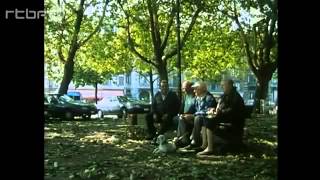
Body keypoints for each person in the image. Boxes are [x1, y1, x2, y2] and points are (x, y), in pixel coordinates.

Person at [197, 79, 246, 155]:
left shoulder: (235, 97)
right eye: (221, 85)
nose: (221, 87)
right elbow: (220, 107)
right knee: (205, 120)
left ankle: (209, 148)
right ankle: (204, 145)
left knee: (209, 122)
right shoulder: (225, 95)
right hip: (226, 119)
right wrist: (214, 109)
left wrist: (219, 112)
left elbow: (232, 111)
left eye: (223, 85)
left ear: (230, 85)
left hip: (233, 123)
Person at [183, 81, 217, 150]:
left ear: (202, 89)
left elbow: (207, 111)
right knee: (182, 118)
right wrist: (185, 114)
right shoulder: (197, 98)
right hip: (198, 118)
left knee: (197, 118)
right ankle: (184, 140)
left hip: (206, 120)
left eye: (196, 89)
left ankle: (195, 142)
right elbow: (191, 109)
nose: (194, 90)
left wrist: (193, 115)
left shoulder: (209, 98)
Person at [173, 81, 196, 147]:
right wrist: (180, 113)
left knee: (181, 119)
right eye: (182, 88)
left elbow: (195, 109)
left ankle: (183, 140)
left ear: (190, 87)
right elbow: (182, 107)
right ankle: (181, 138)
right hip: (184, 115)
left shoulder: (195, 96)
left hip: (191, 117)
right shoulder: (185, 96)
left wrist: (186, 115)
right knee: (175, 118)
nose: (183, 90)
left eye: (185, 88)